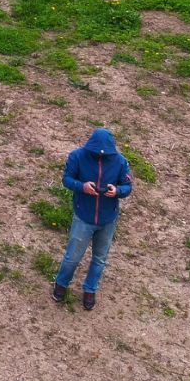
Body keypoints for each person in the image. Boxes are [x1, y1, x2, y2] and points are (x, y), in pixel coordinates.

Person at [52, 127, 133, 311]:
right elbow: (66, 179)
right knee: (72, 257)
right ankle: (61, 284)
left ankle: (90, 289)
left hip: (107, 219)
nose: (101, 156)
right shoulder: (77, 157)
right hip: (84, 217)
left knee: (99, 258)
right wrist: (82, 187)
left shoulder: (120, 162)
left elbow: (127, 186)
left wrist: (117, 191)